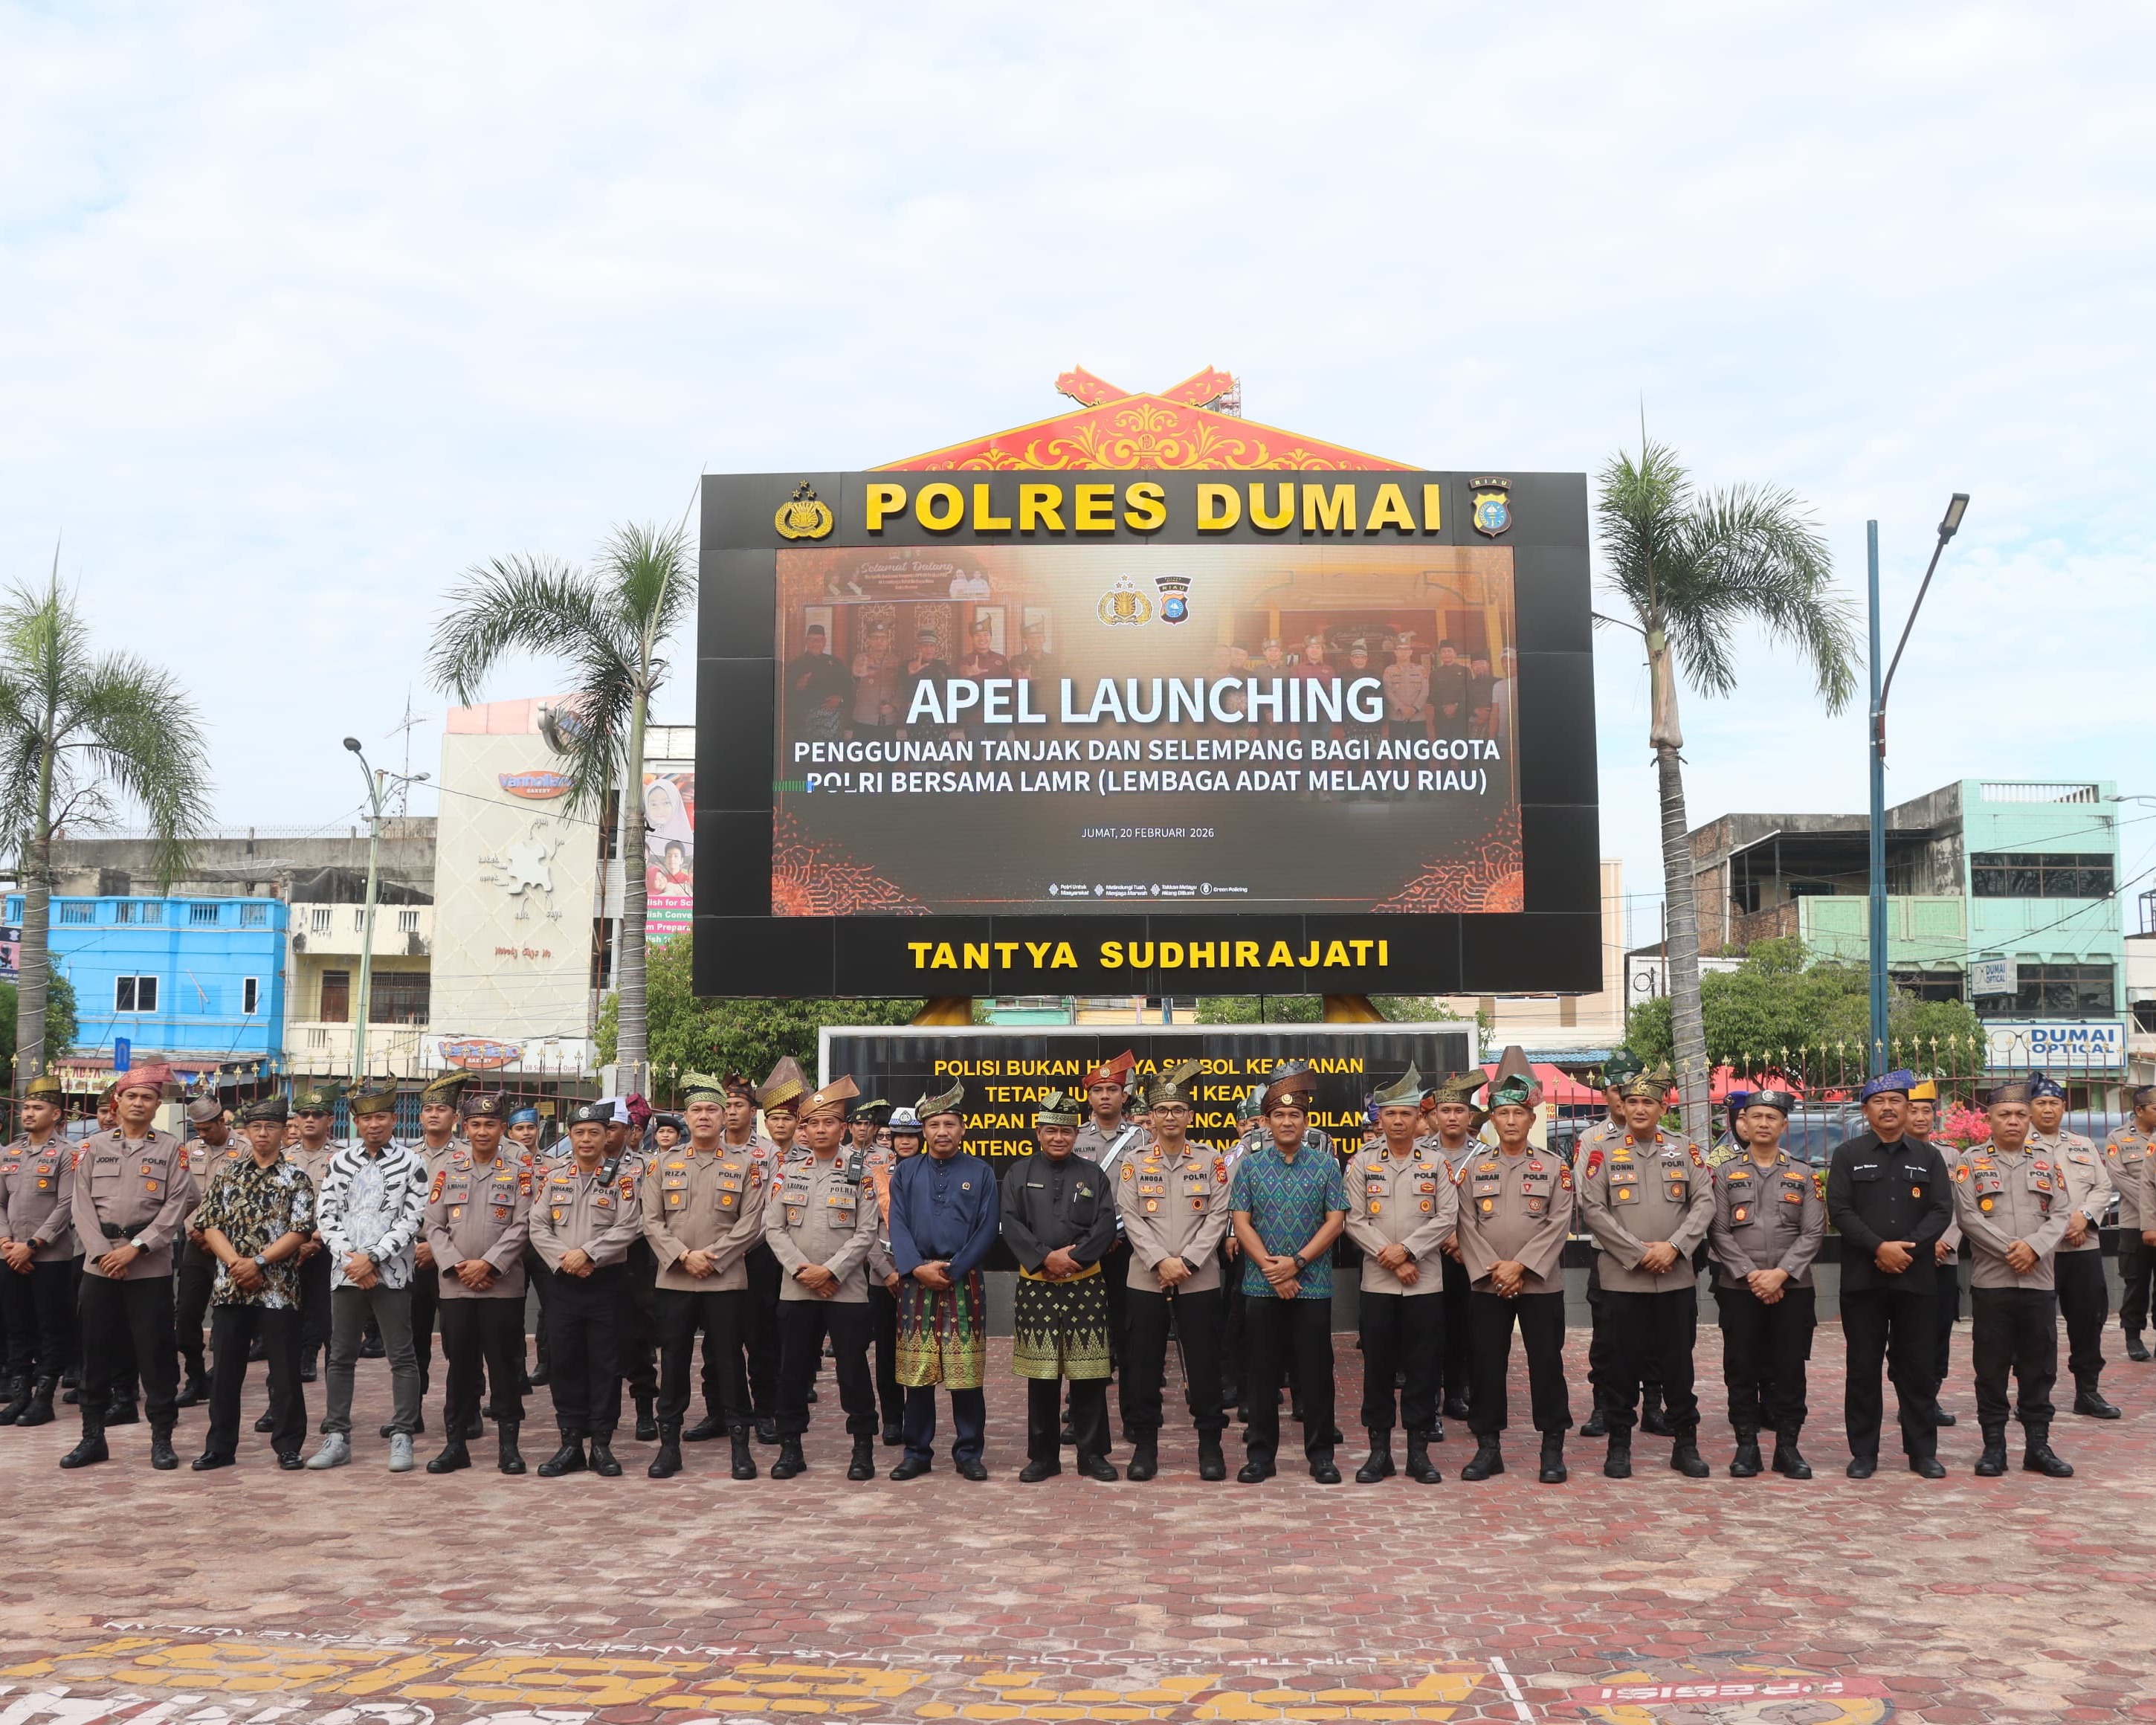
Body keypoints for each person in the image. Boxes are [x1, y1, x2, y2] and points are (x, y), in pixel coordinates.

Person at [1577, 1065, 1715, 1479]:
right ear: (1623, 1105)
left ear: (1663, 1107)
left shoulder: (1685, 1150)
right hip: (1622, 1276)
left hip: (1675, 1275)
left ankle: (1684, 1444)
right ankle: (1619, 1444)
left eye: (1648, 1102)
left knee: (1677, 1363)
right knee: (1620, 1363)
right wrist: (1637, 1253)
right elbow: (1593, 1209)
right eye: (1632, 1101)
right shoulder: (1603, 1150)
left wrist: (1674, 1247)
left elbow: (1704, 1202)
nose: (1639, 1109)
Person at [61, 1065, 194, 1471]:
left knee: (155, 1355)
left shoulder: (173, 1150)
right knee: (95, 1352)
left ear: (157, 1105)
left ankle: (162, 1439)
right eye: (131, 1096)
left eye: (147, 1098)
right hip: (99, 1267)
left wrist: (135, 1248)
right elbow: (79, 1207)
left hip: (148, 1267)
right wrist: (103, 1253)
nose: (139, 1103)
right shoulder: (89, 1148)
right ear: (117, 1102)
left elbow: (176, 1208)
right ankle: (92, 1437)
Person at [1825, 1071, 1953, 1479]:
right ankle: (1864, 1452)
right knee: (1862, 1368)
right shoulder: (1848, 1154)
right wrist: (1879, 1247)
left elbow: (1941, 1210)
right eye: (1878, 1102)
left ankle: (1922, 1453)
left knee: (1917, 1368)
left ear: (1906, 1107)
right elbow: (1840, 1210)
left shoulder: (1928, 1157)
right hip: (1864, 1278)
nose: (1888, 1108)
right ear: (1866, 1110)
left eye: (1895, 1101)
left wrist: (1907, 1250)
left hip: (1915, 1279)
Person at [1947, 1080, 2075, 1477]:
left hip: (2038, 1281)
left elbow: (2062, 1212)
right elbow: (1968, 1217)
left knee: (2040, 1367)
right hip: (1992, 1284)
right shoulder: (1970, 1161)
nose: (2014, 1121)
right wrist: (2012, 1249)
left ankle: (2038, 1445)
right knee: (1991, 1367)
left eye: (2021, 1114)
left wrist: (2034, 1247)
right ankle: (1994, 1447)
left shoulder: (2048, 1162)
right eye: (2005, 1114)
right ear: (1989, 1119)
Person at [643, 1073, 767, 1482]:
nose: (704, 1116)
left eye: (713, 1109)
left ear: (724, 1118)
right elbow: (651, 1220)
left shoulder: (745, 1164)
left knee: (730, 1362)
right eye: (696, 1110)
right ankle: (669, 1448)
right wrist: (682, 1256)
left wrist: (713, 1259)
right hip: (675, 1280)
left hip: (725, 1279)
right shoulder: (662, 1163)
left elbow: (752, 1222)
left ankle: (740, 1449)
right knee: (673, 1361)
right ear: (685, 1117)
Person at [1453, 1071, 1574, 1484]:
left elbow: (1559, 1223)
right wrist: (1496, 1269)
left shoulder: (1554, 1167)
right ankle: (1489, 1448)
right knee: (1487, 1364)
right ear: (1492, 1119)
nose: (1510, 1121)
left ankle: (1552, 1449)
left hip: (1540, 1282)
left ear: (1530, 1118)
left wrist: (1520, 1266)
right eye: (1502, 1113)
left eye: (1518, 1114)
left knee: (1546, 1363)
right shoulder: (1474, 1168)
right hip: (1488, 1282)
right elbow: (1465, 1224)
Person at [1230, 1063, 1346, 1485]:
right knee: (1261, 1373)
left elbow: (1335, 1223)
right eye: (1277, 1115)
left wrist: (1295, 1264)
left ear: (1306, 1120)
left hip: (1312, 1283)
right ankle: (1260, 1455)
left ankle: (1321, 1456)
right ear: (1265, 1121)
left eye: (1293, 1115)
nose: (1286, 1122)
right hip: (1261, 1283)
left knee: (1315, 1372)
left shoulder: (1326, 1166)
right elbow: (1242, 1223)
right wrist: (1271, 1269)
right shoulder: (1251, 1167)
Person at [1117, 1063, 1233, 1483]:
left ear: (1190, 1116)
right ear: (1150, 1116)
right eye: (1162, 1109)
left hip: (1198, 1279)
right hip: (1146, 1278)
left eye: (1177, 1109)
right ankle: (1145, 1447)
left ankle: (1210, 1446)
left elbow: (1218, 1215)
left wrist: (1185, 1262)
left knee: (1204, 1365)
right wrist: (1160, 1262)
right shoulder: (1134, 1163)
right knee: (1143, 1366)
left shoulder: (1211, 1160)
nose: (1169, 1116)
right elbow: (1130, 1217)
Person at [1342, 1065, 1456, 1485]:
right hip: (1378, 1282)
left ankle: (1419, 1453)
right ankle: (1379, 1453)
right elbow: (1352, 1219)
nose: (1397, 1121)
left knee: (1424, 1368)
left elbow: (1448, 1217)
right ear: (1380, 1118)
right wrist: (1389, 1256)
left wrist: (1408, 1251)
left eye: (1406, 1114)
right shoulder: (1361, 1163)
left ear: (1418, 1119)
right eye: (1389, 1114)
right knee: (1378, 1369)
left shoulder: (1437, 1164)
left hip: (1424, 1281)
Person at [306, 1080, 428, 1472]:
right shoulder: (340, 1162)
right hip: (346, 1273)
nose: (374, 1125)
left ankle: (402, 1435)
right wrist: (351, 1260)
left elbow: (413, 1219)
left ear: (394, 1119)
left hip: (392, 1272)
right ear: (355, 1122)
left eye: (381, 1117)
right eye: (365, 1119)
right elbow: (326, 1216)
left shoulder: (412, 1163)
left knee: (402, 1355)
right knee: (340, 1356)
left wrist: (373, 1258)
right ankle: (337, 1435)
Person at [188, 1096, 314, 1471]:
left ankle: (288, 1445)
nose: (262, 1133)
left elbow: (300, 1230)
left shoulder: (296, 1178)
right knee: (226, 1370)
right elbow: (210, 1225)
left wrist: (258, 1262)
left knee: (286, 1369)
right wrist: (235, 1264)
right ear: (245, 1130)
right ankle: (220, 1447)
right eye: (256, 1126)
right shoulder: (228, 1174)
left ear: (282, 1131)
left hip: (279, 1287)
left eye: (270, 1126)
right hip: (231, 1286)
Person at [763, 1075, 878, 1480]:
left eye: (830, 1122)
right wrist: (802, 1270)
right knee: (792, 1370)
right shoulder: (787, 1172)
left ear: (843, 1128)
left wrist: (831, 1271)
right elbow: (773, 1227)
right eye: (813, 1124)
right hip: (797, 1288)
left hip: (846, 1290)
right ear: (804, 1130)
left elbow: (867, 1231)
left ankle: (862, 1448)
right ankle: (790, 1447)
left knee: (852, 1371)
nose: (821, 1129)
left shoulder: (859, 1172)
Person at [1001, 1089, 1120, 1482]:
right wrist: (1043, 1258)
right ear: (1038, 1132)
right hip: (1036, 1285)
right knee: (1042, 1376)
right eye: (1051, 1131)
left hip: (1084, 1284)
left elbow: (1105, 1225)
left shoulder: (1092, 1174)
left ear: (1075, 1135)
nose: (1058, 1138)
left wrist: (1073, 1259)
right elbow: (1010, 1224)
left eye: (1066, 1132)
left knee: (1090, 1374)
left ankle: (1092, 1455)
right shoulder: (1019, 1173)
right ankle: (1043, 1457)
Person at [1708, 1088, 1824, 1480]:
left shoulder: (1804, 1174)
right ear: (1744, 1122)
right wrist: (1751, 1274)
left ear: (1783, 1125)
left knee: (1790, 1369)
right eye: (1755, 1116)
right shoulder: (1725, 1173)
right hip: (1740, 1287)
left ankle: (1788, 1449)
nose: (1762, 1123)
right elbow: (1719, 1232)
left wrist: (1781, 1274)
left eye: (1771, 1118)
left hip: (1792, 1288)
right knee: (1741, 1367)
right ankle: (1747, 1448)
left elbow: (1813, 1232)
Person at [886, 1080, 999, 1480]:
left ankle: (969, 1451)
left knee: (965, 1373)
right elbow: (896, 1222)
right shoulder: (905, 1172)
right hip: (916, 1281)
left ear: (962, 1128)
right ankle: (917, 1451)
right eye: (934, 1125)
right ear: (924, 1130)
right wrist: (915, 1267)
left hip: (963, 1280)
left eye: (950, 1124)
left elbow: (988, 1228)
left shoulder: (980, 1172)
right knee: (917, 1374)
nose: (942, 1132)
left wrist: (953, 1269)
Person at [527, 1100, 643, 1477]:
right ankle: (570, 1443)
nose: (587, 1139)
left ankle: (603, 1445)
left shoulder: (621, 1178)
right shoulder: (555, 1177)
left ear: (607, 1135)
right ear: (570, 1137)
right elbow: (537, 1225)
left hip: (605, 1283)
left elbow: (628, 1226)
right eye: (580, 1133)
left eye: (595, 1132)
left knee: (606, 1364)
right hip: (563, 1284)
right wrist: (565, 1258)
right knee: (565, 1362)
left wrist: (589, 1254)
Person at [422, 1091, 531, 1475]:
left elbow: (524, 1224)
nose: (482, 1131)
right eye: (475, 1124)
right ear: (463, 1127)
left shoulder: (520, 1170)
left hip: (501, 1285)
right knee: (460, 1366)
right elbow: (433, 1225)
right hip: (455, 1286)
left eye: (490, 1124)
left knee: (504, 1365)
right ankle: (455, 1445)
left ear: (503, 1128)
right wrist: (456, 1265)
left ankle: (509, 1447)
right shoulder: (448, 1169)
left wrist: (488, 1264)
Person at [2025, 1074, 2117, 1419]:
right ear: (2029, 1108)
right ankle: (2033, 1398)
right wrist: (2063, 1227)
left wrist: (2085, 1217)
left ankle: (2088, 1392)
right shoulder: (2019, 1145)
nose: (2048, 1109)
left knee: (2088, 1321)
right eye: (2041, 1103)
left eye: (2054, 1103)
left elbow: (2103, 1186)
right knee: (2036, 1327)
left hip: (2084, 1248)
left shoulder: (2082, 1145)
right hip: (2038, 1254)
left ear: (2064, 1107)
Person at [0, 1074, 81, 1428]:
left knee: (51, 1327)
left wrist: (32, 1245)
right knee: (17, 1327)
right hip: (9, 1255)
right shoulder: (10, 1152)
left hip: (49, 1257)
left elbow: (66, 1205)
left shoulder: (67, 1154)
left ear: (57, 1114)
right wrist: (6, 1243)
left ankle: (44, 1398)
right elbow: (0, 1203)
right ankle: (20, 1395)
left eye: (38, 1108)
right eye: (27, 1108)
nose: (29, 1114)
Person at [1072, 1050, 1145, 1440]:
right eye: (1098, 1089)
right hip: (1084, 1250)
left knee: (1129, 1335)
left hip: (1130, 1249)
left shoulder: (1141, 1138)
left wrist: (1120, 1235)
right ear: (1089, 1096)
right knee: (1085, 1335)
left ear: (1123, 1095)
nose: (1105, 1096)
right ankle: (1082, 1415)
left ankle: (1134, 1418)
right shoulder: (1074, 1137)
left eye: (1112, 1089)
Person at [1575, 1051, 1645, 1440]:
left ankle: (1654, 1406)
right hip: (1610, 1257)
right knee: (1608, 1337)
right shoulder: (1592, 1140)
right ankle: (1604, 1405)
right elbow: (1588, 1200)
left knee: (1657, 1338)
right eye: (1619, 1089)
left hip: (1661, 1257)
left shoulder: (1667, 1139)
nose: (1627, 1098)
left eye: (1634, 1089)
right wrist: (1632, 1247)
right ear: (1606, 1093)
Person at [1421, 1071, 1486, 1427]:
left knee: (1466, 1327)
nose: (1452, 1117)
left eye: (1459, 1110)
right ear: (1435, 1115)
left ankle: (1458, 1391)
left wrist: (1462, 1240)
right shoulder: (1420, 1153)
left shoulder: (1483, 1154)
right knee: (1431, 1329)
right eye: (1445, 1110)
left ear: (1469, 1116)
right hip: (1429, 1254)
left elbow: (1489, 1209)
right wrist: (1440, 1238)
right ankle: (1429, 1397)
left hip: (1469, 1254)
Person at [406, 1070, 468, 1438]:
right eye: (428, 1109)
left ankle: (465, 1411)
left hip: (453, 1258)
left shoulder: (465, 1155)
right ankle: (410, 1410)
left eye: (441, 1110)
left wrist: (438, 1247)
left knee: (458, 1340)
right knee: (411, 1340)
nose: (433, 1115)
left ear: (454, 1117)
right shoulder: (406, 1156)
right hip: (410, 1256)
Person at [740, 1062, 799, 1442]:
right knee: (733, 1337)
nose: (779, 1125)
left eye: (786, 1118)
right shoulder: (742, 1154)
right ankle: (727, 1412)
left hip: (780, 1256)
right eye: (773, 1118)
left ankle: (770, 1410)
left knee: (773, 1337)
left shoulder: (793, 1157)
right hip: (740, 1255)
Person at [175, 1094, 245, 1410]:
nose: (203, 1135)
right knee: (187, 1313)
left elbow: (245, 1199)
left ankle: (223, 1378)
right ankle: (195, 1377)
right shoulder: (191, 1150)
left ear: (222, 1122)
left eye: (207, 1129)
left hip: (231, 1246)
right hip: (196, 1243)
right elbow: (184, 1195)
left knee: (225, 1315)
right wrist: (196, 1229)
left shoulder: (243, 1150)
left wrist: (217, 1233)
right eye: (198, 1129)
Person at [1906, 1080, 1963, 1427]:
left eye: (1926, 1110)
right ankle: (1909, 1398)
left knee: (1940, 1329)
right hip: (1910, 1258)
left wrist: (1948, 1243)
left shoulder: (1950, 1156)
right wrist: (1923, 1247)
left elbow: (1960, 1209)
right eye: (1913, 1109)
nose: (1920, 1116)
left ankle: (1931, 1397)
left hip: (1945, 1258)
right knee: (1908, 1333)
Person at [859, 1097, 912, 1448]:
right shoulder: (877, 1174)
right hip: (886, 1277)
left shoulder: (934, 1171)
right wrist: (885, 1271)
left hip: (923, 1277)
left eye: (912, 1135)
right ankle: (893, 1419)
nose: (906, 1141)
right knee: (887, 1353)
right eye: (899, 1136)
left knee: (922, 1351)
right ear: (889, 1139)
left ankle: (920, 1419)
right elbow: (865, 1230)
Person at [285, 1086, 342, 1386]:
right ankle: (303, 1357)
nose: (309, 1120)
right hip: (289, 1247)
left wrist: (316, 1239)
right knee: (292, 1310)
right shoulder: (284, 1158)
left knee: (327, 1312)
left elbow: (346, 1206)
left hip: (328, 1247)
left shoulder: (343, 1159)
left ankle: (334, 1370)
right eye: (304, 1114)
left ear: (329, 1120)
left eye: (317, 1115)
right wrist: (297, 1241)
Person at [2110, 1085, 2156, 1362]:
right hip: (2134, 1223)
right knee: (2136, 1282)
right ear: (2139, 1111)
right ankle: (2133, 1336)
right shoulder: (2119, 1139)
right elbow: (2120, 1180)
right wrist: (2151, 1205)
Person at [787, 624, 852, 743]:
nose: (816, 643)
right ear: (806, 641)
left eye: (820, 640)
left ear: (825, 642)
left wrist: (840, 699)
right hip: (806, 720)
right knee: (808, 758)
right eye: (812, 639)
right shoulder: (795, 665)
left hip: (832, 719)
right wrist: (797, 687)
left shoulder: (835, 663)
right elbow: (785, 695)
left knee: (831, 757)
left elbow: (849, 686)